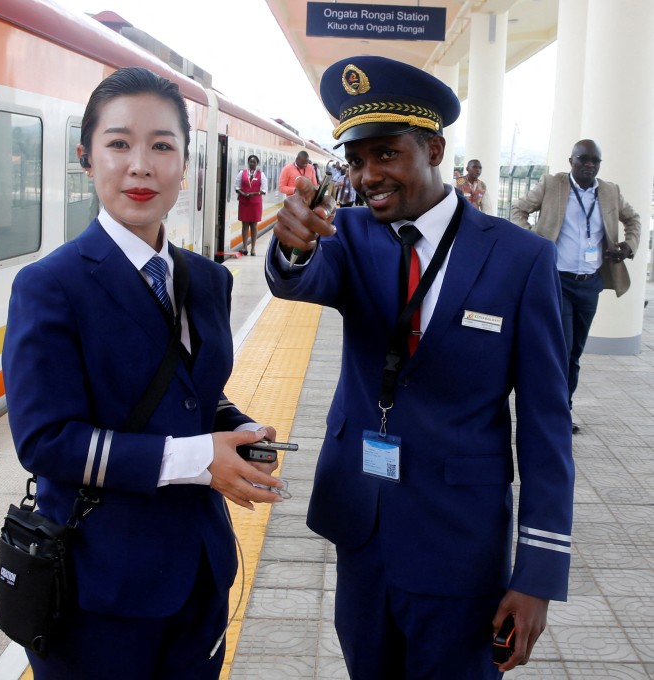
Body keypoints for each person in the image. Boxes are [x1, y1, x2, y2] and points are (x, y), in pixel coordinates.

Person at [266, 56, 574, 679]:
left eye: (386, 155)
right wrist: (291, 249)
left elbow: (545, 425)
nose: (368, 176)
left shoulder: (520, 260)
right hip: (364, 531)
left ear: (433, 148)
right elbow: (299, 279)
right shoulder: (346, 236)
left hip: (460, 543)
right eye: (356, 161)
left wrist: (537, 573)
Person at [2, 66, 283, 679]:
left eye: (162, 145)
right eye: (119, 143)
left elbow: (194, 396)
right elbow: (44, 441)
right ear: (86, 158)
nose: (141, 165)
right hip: (97, 589)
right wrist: (197, 459)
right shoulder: (51, 287)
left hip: (201, 574)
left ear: (186, 164)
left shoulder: (209, 281)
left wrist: (239, 428)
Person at [511, 139, 641, 434]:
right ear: (571, 160)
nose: (589, 165)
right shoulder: (551, 184)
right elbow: (519, 210)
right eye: (583, 159)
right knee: (562, 347)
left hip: (590, 284)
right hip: (557, 280)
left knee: (575, 352)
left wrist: (628, 246)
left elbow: (633, 218)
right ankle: (551, 414)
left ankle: (563, 409)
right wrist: (534, 242)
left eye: (595, 161)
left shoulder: (609, 191)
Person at [234, 154, 267, 255]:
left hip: (255, 203)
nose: (252, 163)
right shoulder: (242, 173)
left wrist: (254, 193)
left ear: (257, 164)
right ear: (248, 163)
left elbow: (264, 190)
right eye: (250, 162)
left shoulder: (261, 175)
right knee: (244, 224)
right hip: (244, 202)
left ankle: (253, 248)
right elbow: (236, 186)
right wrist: (242, 193)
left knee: (254, 225)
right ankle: (244, 247)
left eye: (254, 162)